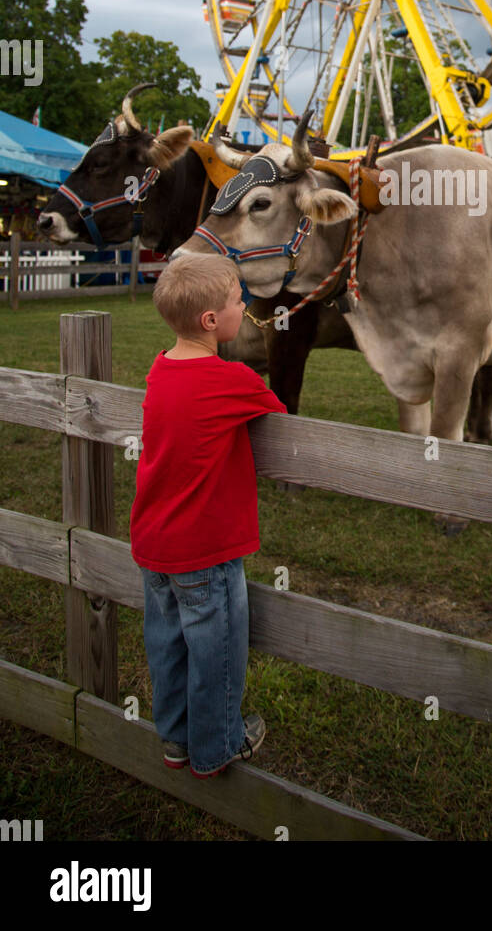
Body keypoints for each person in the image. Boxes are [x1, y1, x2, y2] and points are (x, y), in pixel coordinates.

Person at [130, 254, 287, 775]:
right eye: (239, 301)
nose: (245, 306)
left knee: (167, 645)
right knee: (216, 650)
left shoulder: (160, 368)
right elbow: (278, 413)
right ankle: (218, 745)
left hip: (156, 546)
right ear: (212, 322)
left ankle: (176, 739)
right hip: (205, 550)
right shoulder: (232, 379)